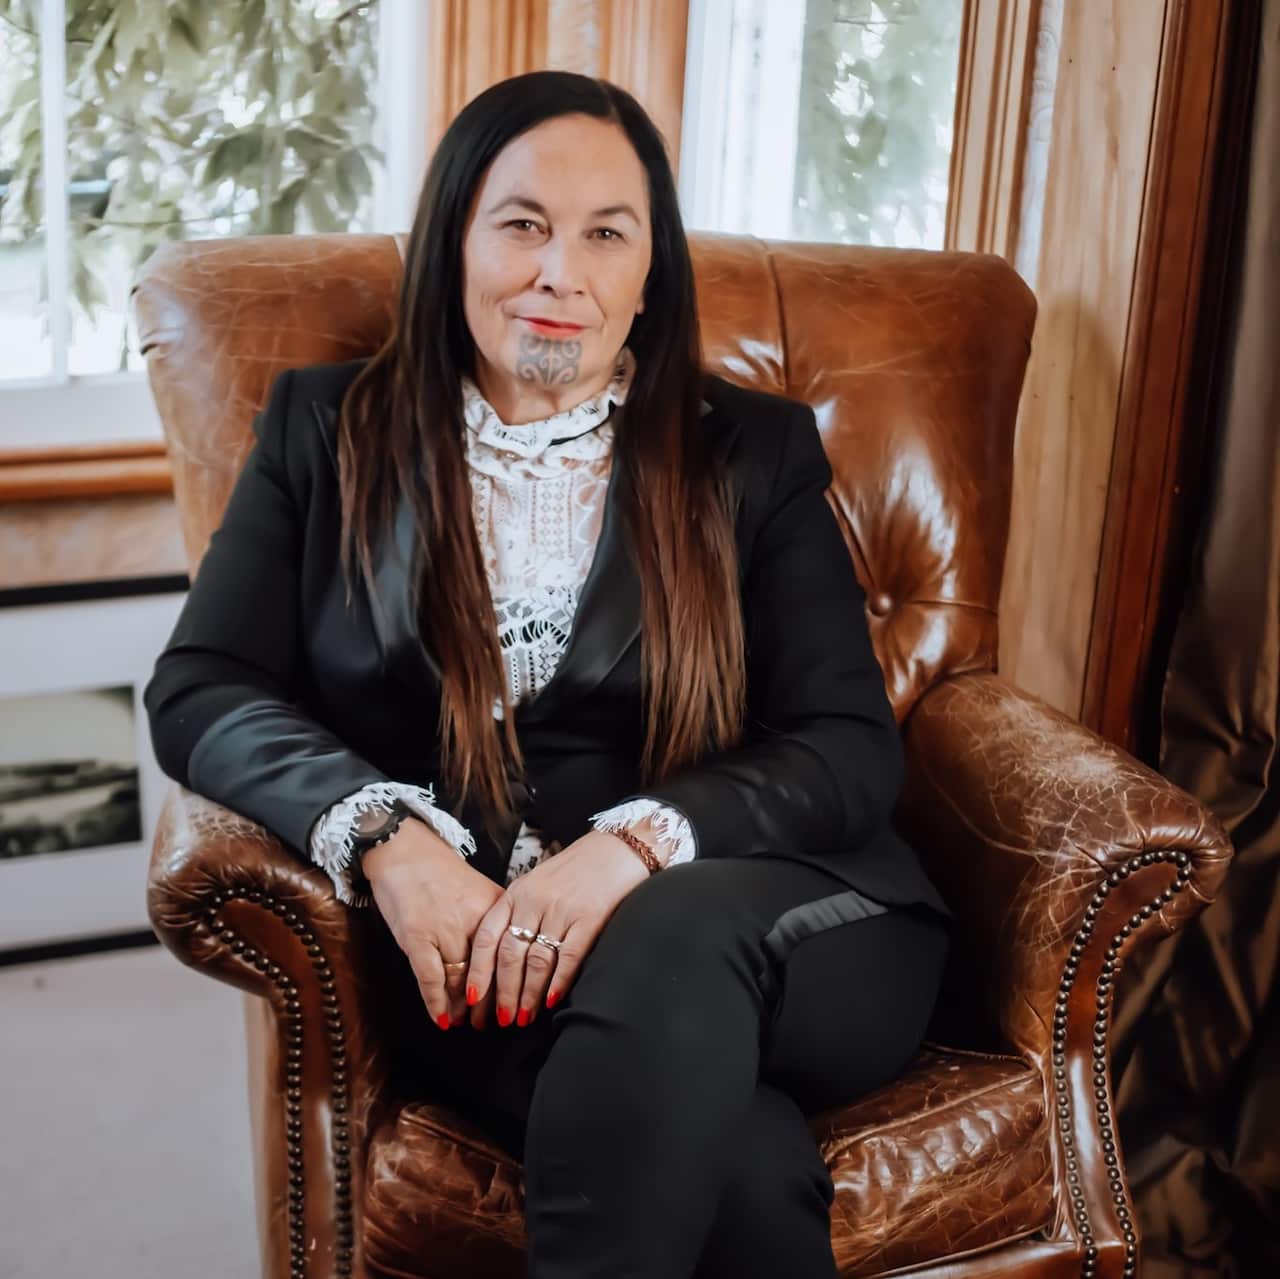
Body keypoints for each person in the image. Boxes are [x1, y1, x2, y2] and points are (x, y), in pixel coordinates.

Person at [145, 69, 953, 1279]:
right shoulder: (324, 433)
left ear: (647, 274)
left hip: (796, 922)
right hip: (492, 962)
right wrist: (386, 838)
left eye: (605, 234)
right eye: (520, 223)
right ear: (454, 242)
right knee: (733, 1167)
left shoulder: (751, 453)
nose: (557, 272)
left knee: (663, 940)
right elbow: (201, 686)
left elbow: (845, 746)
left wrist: (632, 849)